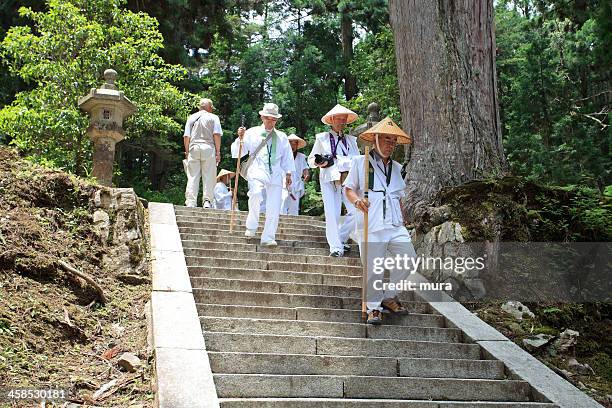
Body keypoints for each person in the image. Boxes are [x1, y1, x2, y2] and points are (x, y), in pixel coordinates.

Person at [343, 116, 414, 325]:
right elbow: (348, 189)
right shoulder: (360, 162)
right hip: (371, 222)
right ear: (374, 139)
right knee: (373, 266)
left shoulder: (397, 167)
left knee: (409, 258)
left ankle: (388, 296)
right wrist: (357, 202)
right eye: (386, 139)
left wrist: (403, 219)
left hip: (394, 223)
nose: (390, 145)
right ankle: (373, 309)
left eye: (393, 141)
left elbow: (399, 196)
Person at [232, 103, 295, 246]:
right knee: (255, 193)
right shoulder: (252, 132)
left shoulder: (282, 136)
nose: (270, 121)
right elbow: (238, 153)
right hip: (257, 169)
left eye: (273, 119)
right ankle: (251, 225)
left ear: (277, 120)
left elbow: (287, 156)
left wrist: (289, 173)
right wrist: (240, 138)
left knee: (274, 205)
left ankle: (268, 236)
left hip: (276, 172)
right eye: (268, 118)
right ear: (262, 117)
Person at [308, 104, 360, 257]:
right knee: (332, 213)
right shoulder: (322, 138)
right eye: (338, 119)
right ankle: (335, 247)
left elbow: (357, 160)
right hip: (329, 178)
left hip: (347, 178)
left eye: (344, 119)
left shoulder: (351, 140)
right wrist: (320, 162)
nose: (341, 122)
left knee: (356, 210)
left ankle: (342, 238)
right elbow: (311, 160)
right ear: (331, 120)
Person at [184, 98, 223, 208]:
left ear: (199, 107)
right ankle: (207, 201)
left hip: (194, 147)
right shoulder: (214, 117)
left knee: (192, 176)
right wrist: (218, 152)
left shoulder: (191, 117)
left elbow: (186, 136)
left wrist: (187, 152)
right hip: (208, 147)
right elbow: (216, 134)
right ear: (210, 108)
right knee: (209, 176)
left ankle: (191, 201)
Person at [282, 134, 310, 216]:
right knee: (282, 202)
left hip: (296, 184)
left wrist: (306, 175)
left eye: (295, 143)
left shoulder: (301, 157)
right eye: (291, 143)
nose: (292, 145)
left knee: (294, 206)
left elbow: (305, 168)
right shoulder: (282, 155)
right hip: (283, 182)